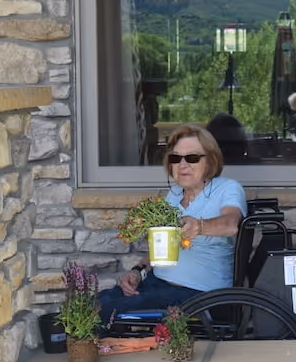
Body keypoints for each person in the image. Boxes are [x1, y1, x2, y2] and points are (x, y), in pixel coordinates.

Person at [99, 124, 247, 326]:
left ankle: (95, 353)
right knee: (96, 303)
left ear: (210, 160)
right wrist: (138, 272)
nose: (183, 164)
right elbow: (159, 247)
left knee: (109, 312)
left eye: (192, 158)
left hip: (199, 294)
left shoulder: (227, 188)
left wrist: (199, 227)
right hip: (157, 284)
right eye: (176, 158)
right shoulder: (174, 195)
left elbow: (231, 224)